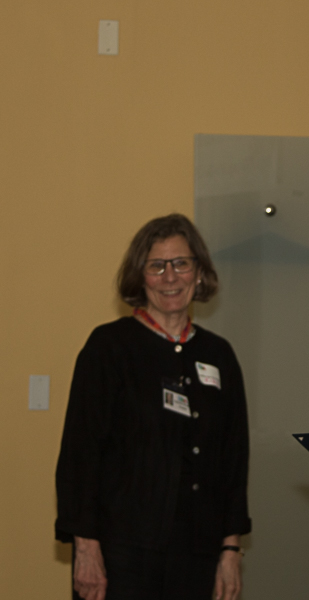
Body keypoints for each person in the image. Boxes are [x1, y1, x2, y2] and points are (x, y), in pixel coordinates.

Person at [55, 214, 251, 600]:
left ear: (199, 273)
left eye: (181, 263)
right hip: (121, 556)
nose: (170, 277)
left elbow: (233, 459)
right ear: (139, 276)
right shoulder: (108, 348)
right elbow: (81, 455)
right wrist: (86, 548)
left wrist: (230, 550)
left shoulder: (219, 355)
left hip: (199, 555)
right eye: (156, 266)